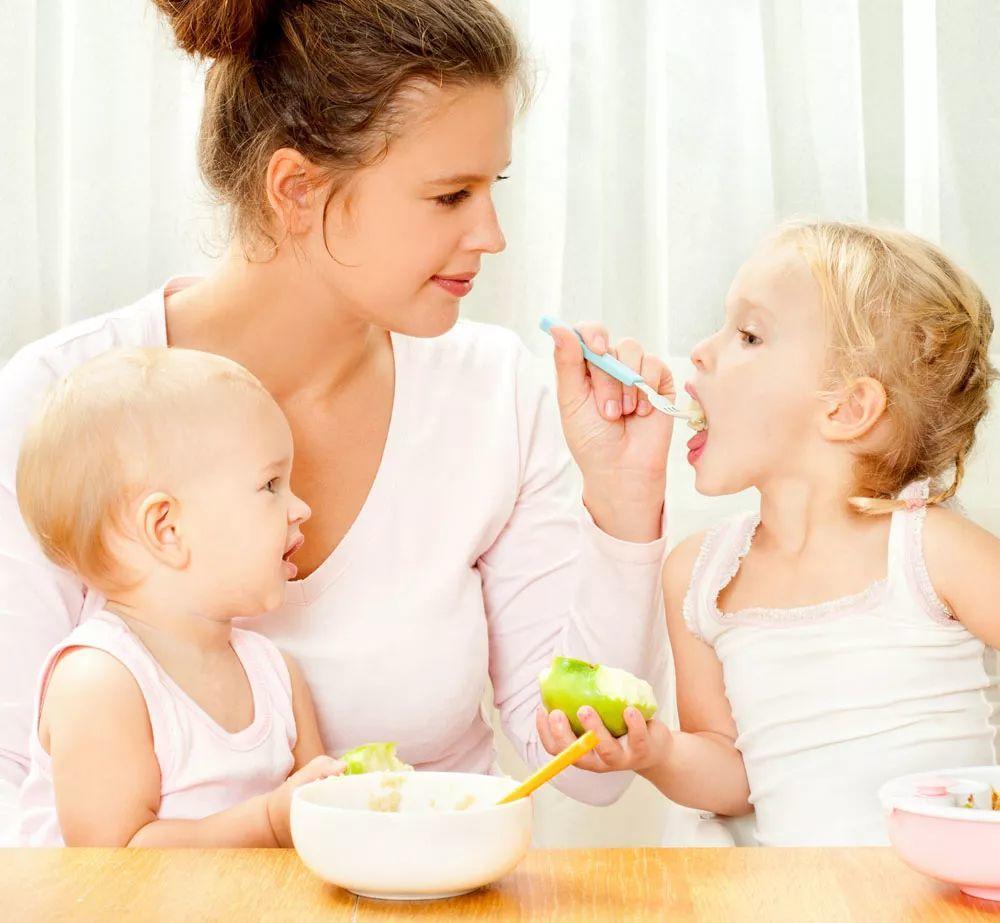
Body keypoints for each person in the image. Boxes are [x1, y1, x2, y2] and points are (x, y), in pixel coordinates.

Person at [0, 0, 676, 831]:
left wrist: (623, 506)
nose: (492, 233)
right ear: (297, 189)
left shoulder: (495, 393)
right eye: (449, 195)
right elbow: (17, 799)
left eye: (491, 188)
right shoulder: (58, 403)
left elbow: (587, 770)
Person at [538, 221, 1000, 845]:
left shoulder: (932, 550)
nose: (700, 351)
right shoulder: (700, 575)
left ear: (845, 408)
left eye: (749, 334)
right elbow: (735, 775)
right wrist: (659, 753)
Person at [17, 347, 344, 846]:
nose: (301, 508)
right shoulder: (101, 681)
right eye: (271, 484)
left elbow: (320, 817)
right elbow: (114, 859)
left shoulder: (277, 677)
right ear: (166, 527)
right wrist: (272, 823)